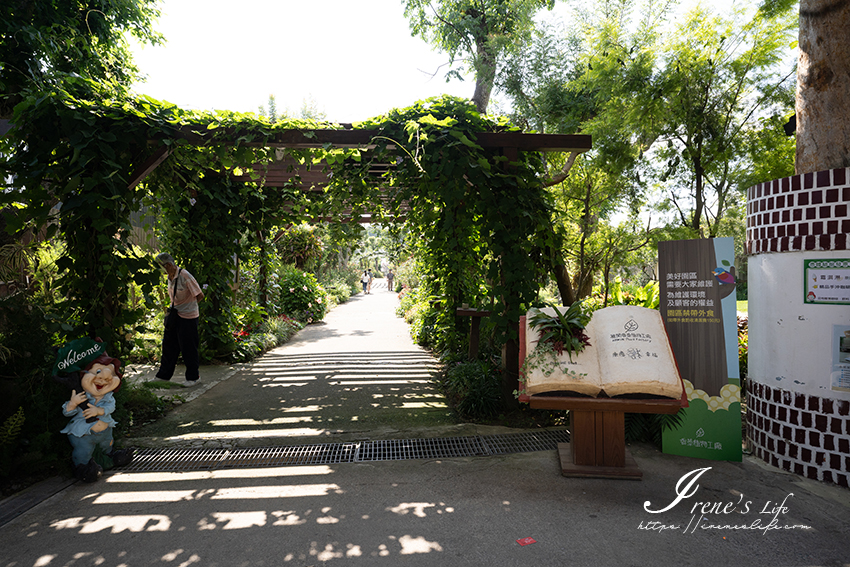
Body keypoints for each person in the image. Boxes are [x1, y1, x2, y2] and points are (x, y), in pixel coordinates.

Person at [155, 253, 204, 385]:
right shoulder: (169, 276)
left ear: (169, 265)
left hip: (188, 317)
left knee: (188, 347)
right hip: (175, 316)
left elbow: (199, 295)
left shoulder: (185, 276)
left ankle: (194, 377)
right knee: (169, 345)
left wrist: (189, 307)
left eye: (162, 266)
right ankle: (163, 376)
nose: (161, 269)